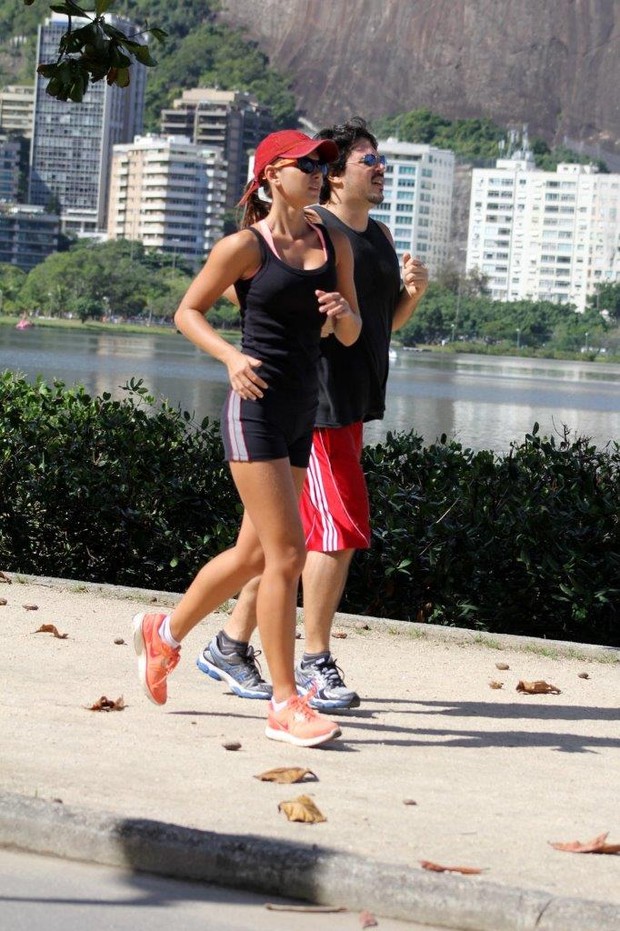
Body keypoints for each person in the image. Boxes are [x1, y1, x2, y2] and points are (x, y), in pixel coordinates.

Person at [132, 129, 361, 747]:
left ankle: (165, 633)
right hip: (253, 409)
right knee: (288, 554)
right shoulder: (245, 247)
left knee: (255, 557)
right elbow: (187, 312)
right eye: (307, 163)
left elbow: (350, 334)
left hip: (301, 411)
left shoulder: (332, 238)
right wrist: (231, 358)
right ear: (270, 174)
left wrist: (344, 315)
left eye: (325, 163)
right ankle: (286, 705)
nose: (320, 171)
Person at [197, 117, 429, 710]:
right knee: (333, 532)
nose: (377, 170)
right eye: (366, 161)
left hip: (352, 401)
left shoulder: (370, 237)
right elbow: (240, 288)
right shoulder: (307, 228)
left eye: (377, 162)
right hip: (314, 401)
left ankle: (224, 642)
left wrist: (411, 297)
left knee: (270, 546)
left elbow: (372, 324)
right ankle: (311, 663)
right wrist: (254, 344)